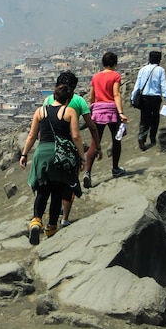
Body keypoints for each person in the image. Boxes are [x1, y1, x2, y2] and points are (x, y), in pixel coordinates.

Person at [19, 84, 85, 245]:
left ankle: (36, 221)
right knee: (57, 192)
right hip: (59, 156)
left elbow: (32, 136)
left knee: (42, 190)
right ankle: (51, 227)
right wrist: (81, 157)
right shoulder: (69, 111)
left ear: (54, 96)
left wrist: (24, 154)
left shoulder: (40, 111)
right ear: (68, 100)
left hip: (42, 154)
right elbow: (75, 136)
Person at [44, 71, 102, 227]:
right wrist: (97, 146)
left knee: (53, 185)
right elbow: (91, 126)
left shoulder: (49, 100)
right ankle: (65, 218)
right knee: (70, 183)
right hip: (70, 148)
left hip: (51, 147)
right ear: (73, 87)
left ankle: (50, 219)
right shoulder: (78, 101)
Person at [83, 52, 128, 184]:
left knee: (94, 142)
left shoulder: (95, 77)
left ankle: (87, 172)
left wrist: (93, 107)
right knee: (116, 139)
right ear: (115, 63)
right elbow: (116, 94)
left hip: (97, 111)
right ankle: (115, 168)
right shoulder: (115, 76)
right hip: (112, 110)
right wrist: (120, 112)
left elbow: (92, 96)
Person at [131, 50, 166, 151]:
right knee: (155, 118)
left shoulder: (143, 69)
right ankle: (153, 138)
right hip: (155, 98)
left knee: (144, 119)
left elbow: (137, 85)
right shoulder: (160, 70)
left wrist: (132, 98)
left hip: (144, 97)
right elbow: (163, 85)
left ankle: (141, 138)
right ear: (159, 59)